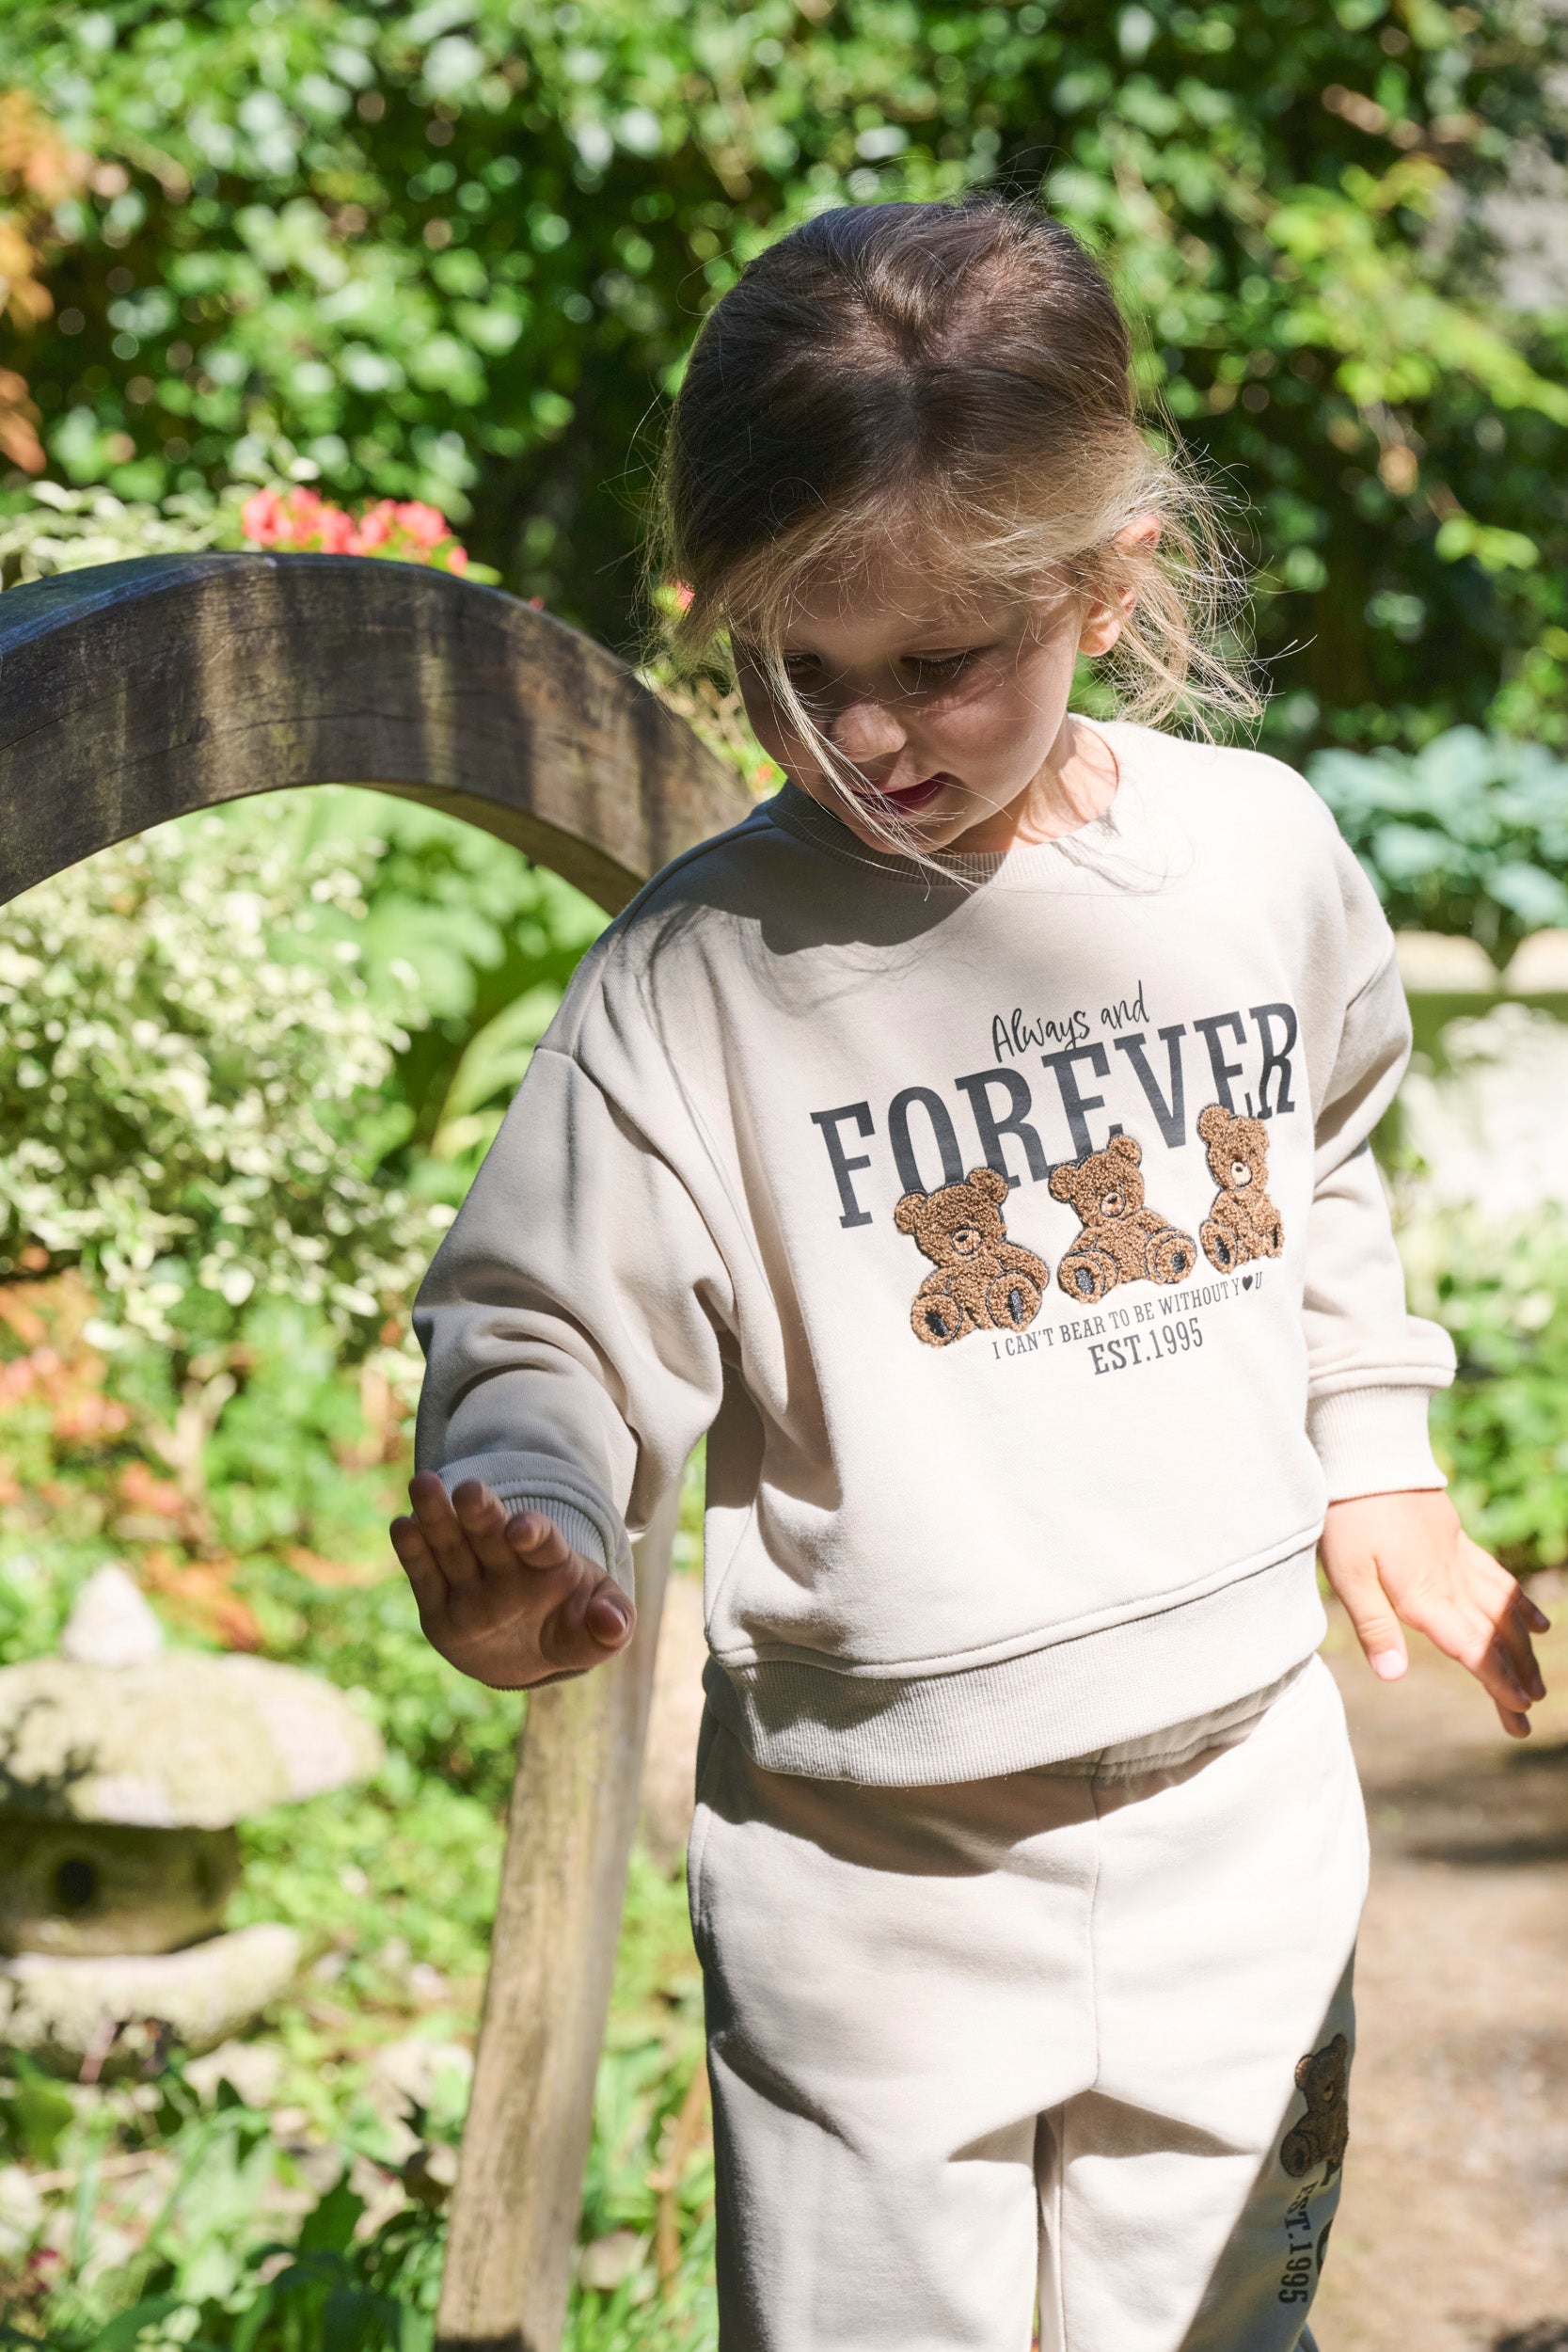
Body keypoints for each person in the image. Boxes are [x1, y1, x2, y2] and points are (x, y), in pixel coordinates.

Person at [391, 199, 1546, 2351]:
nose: (864, 734)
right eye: (797, 667)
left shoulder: (1253, 854)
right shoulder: (700, 975)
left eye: (938, 665)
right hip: (870, 1884)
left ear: (1107, 583)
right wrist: (534, 1511)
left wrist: (1377, 1448)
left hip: (1242, 1812)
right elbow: (551, 1315)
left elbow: (1325, 1141)